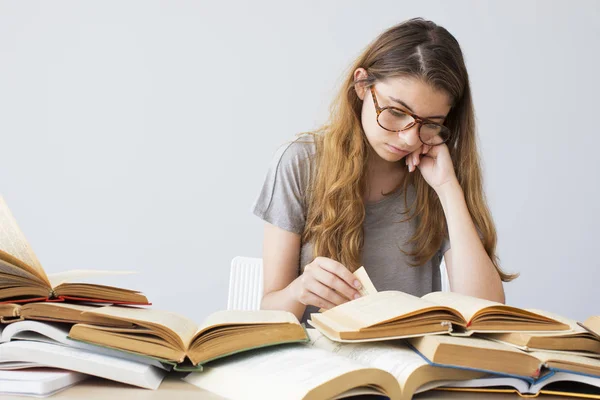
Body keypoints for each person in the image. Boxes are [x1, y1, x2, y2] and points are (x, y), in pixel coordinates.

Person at [251, 17, 518, 324]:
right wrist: (300, 290)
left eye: (430, 123)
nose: (408, 138)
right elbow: (268, 311)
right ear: (362, 84)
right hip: (319, 366)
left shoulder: (438, 173)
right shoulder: (300, 163)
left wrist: (447, 188)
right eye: (395, 112)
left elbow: (486, 310)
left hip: (408, 366)